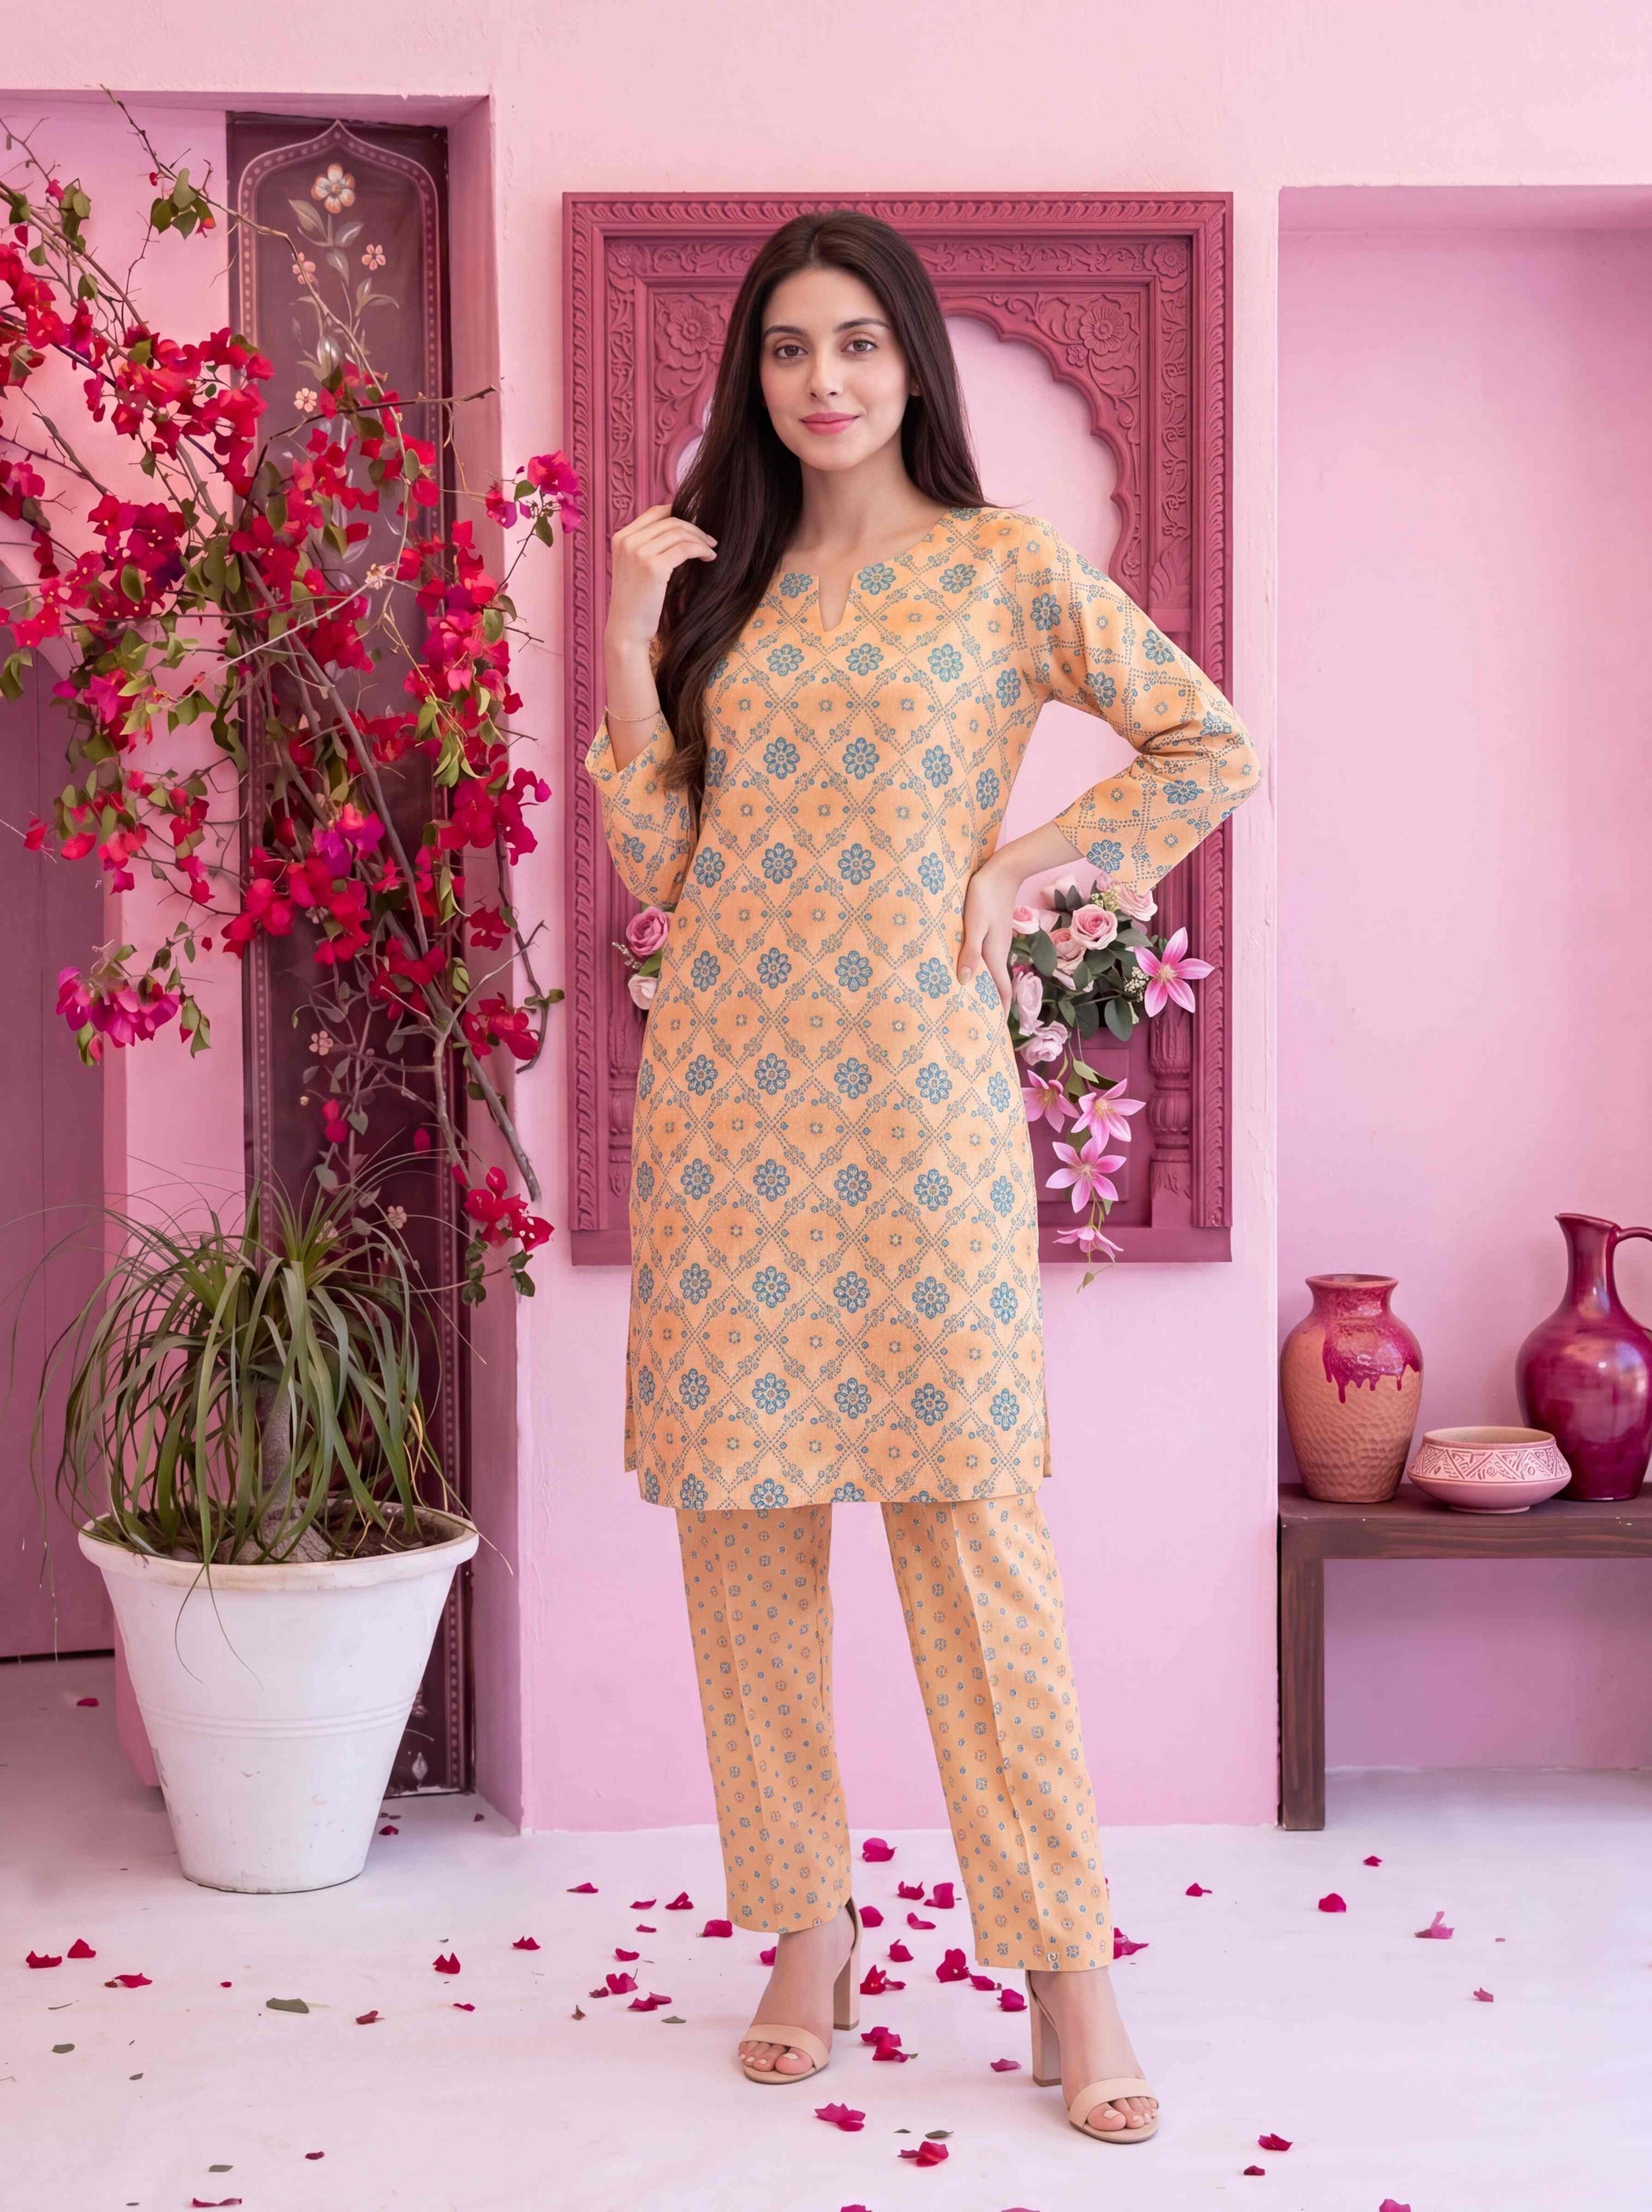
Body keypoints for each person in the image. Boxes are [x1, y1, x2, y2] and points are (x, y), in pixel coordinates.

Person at [583, 209, 1261, 2143]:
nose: (823, 380)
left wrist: (1026, 866)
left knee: (973, 1536)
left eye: (858, 343)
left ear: (911, 366)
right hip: (727, 1114)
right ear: (754, 373)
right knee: (745, 1535)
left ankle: (1066, 1967)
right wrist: (626, 640)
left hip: (916, 1109)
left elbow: (1203, 744)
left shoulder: (1000, 566)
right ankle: (806, 1934)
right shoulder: (726, 587)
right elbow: (663, 863)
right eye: (789, 347)